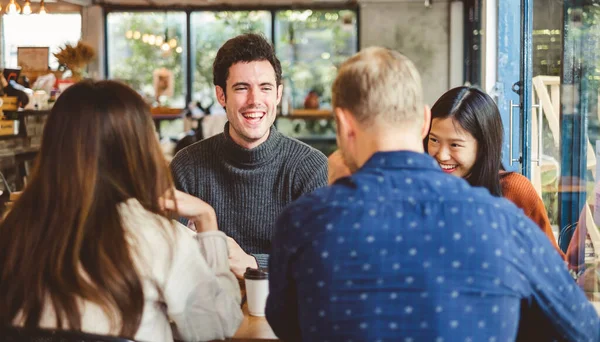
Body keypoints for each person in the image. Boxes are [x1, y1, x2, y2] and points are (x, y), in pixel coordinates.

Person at [266, 47, 599, 341]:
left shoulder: (303, 222)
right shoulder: (501, 220)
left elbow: (289, 324)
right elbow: (582, 328)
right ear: (425, 120)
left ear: (343, 124)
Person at [0, 80, 242, 342]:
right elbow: (218, 326)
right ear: (139, 148)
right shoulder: (159, 236)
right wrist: (207, 220)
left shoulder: (14, 228)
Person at [170, 33, 328, 277]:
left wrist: (253, 263)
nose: (255, 101)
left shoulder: (310, 167)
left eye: (265, 88)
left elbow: (318, 260)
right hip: (206, 306)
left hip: (285, 309)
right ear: (221, 95)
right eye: (242, 88)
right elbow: (167, 254)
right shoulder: (187, 165)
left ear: (278, 94)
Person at [424, 86, 565, 258]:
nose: (441, 155)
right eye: (434, 140)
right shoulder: (419, 188)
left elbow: (553, 264)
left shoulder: (514, 190)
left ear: (483, 145)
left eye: (455, 145)